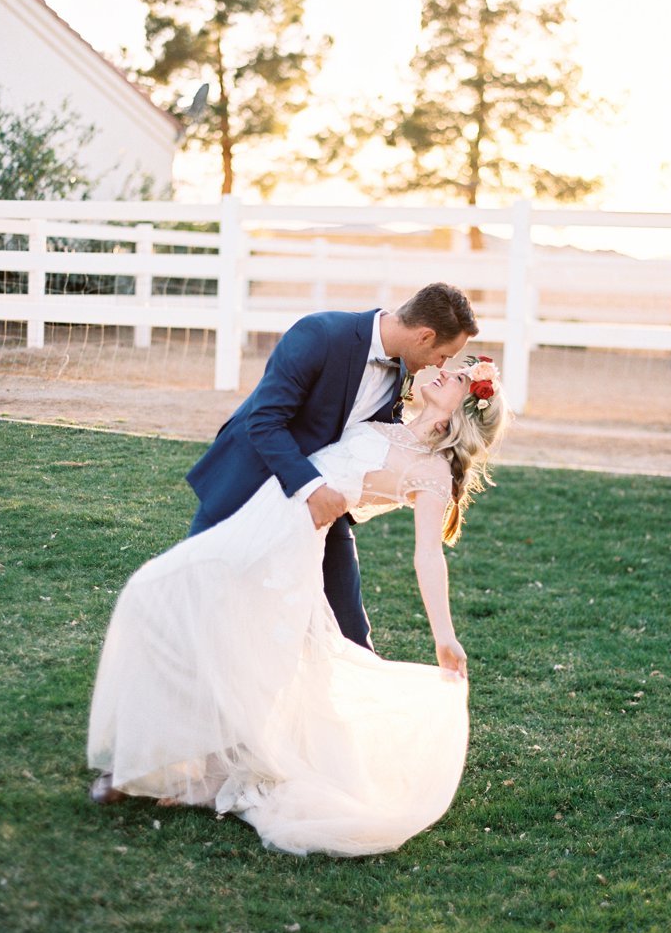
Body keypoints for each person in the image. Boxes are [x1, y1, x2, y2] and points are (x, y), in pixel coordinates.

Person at [87, 355, 507, 857]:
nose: (444, 370)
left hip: (288, 542)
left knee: (172, 602)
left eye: (459, 376)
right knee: (186, 614)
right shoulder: (389, 423)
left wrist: (444, 634)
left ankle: (170, 770)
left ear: (465, 407)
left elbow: (428, 555)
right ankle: (172, 764)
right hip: (263, 513)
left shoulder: (433, 471)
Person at [184, 283, 479, 650]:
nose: (441, 366)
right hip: (250, 483)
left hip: (323, 513)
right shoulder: (321, 334)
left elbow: (378, 441)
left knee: (350, 635)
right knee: (197, 606)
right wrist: (313, 489)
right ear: (425, 336)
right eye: (443, 355)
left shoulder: (403, 370)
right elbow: (263, 421)